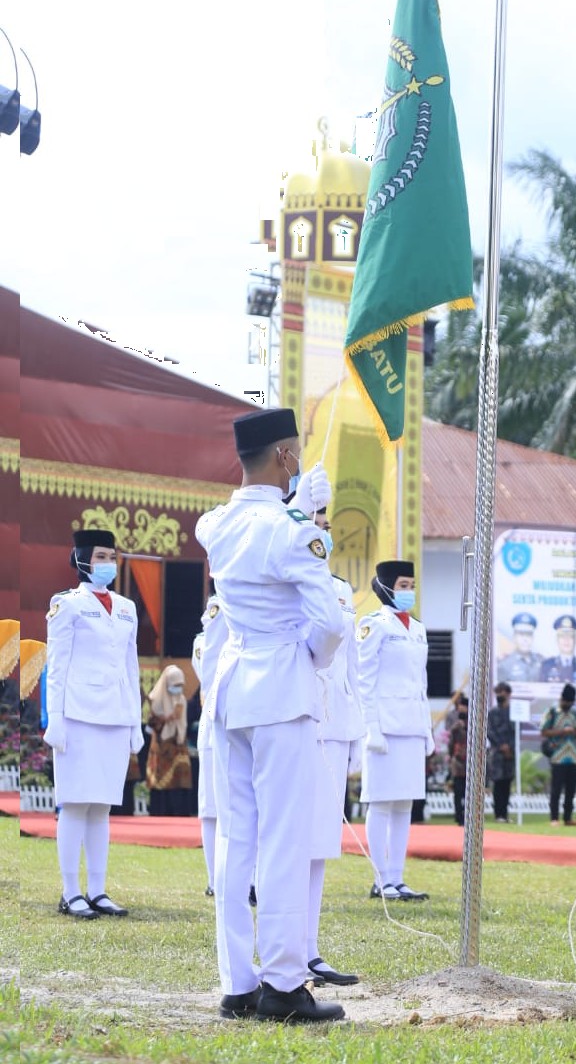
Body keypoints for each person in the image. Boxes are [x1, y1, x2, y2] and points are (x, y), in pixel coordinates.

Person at [195, 407, 346, 1025]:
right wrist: (308, 656)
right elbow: (332, 621)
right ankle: (284, 983)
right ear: (285, 458)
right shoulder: (288, 532)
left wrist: (302, 519)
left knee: (236, 838)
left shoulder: (218, 524)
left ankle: (238, 982)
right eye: (296, 452)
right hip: (281, 687)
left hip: (232, 688)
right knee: (283, 838)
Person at [44, 529, 142, 920]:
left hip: (115, 715)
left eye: (112, 556)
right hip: (78, 715)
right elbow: (57, 667)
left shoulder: (126, 607)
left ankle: (98, 890)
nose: (108, 563)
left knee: (102, 806)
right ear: (83, 559)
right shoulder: (66, 605)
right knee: (74, 803)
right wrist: (56, 721)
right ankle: (71, 891)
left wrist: (135, 721)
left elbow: (131, 668)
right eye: (101, 556)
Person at [306, 508, 364, 987]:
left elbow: (355, 670)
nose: (325, 530)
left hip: (337, 724)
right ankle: (288, 948)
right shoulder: (289, 581)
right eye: (315, 521)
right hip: (300, 720)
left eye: (327, 524)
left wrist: (361, 733)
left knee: (322, 843)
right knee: (294, 841)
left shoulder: (342, 589)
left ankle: (310, 948)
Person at [357, 559, 432, 902]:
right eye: (403, 586)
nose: (409, 592)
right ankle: (379, 878)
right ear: (386, 587)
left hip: (412, 725)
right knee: (381, 802)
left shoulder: (417, 628)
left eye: (411, 585)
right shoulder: (375, 626)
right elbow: (364, 678)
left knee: (405, 805)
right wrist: (371, 726)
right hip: (385, 727)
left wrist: (427, 729)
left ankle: (398, 878)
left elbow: (422, 683)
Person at [191, 591, 229, 895]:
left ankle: (250, 879)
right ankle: (214, 879)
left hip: (245, 724)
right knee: (211, 807)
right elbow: (209, 674)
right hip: (216, 723)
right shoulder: (202, 643)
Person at [145, 664, 192, 816]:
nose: (178, 689)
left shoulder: (182, 700)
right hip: (161, 746)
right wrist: (168, 718)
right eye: (175, 685)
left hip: (179, 743)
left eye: (180, 685)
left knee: (180, 781)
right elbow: (151, 724)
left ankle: (179, 814)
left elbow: (185, 721)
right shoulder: (155, 699)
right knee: (161, 782)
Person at [540, 683, 576, 825]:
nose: (568, 705)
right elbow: (544, 731)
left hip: (574, 756)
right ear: (562, 699)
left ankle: (568, 818)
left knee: (571, 790)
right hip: (558, 756)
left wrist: (573, 731)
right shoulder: (552, 711)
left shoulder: (574, 713)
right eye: (566, 702)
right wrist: (562, 732)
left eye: (571, 703)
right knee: (556, 789)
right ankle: (554, 818)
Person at [487, 682, 514, 822]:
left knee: (507, 784)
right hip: (497, 753)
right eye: (497, 692)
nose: (499, 695)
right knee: (498, 784)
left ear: (508, 694)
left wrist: (510, 747)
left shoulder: (514, 712)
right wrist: (501, 746)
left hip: (511, 754)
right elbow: (489, 731)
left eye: (502, 692)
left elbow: (517, 732)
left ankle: (505, 814)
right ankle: (498, 815)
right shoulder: (492, 713)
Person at [497, 613, 543, 682]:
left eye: (528, 635)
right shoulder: (504, 664)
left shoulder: (541, 662)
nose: (525, 639)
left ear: (533, 638)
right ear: (514, 637)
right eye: (521, 634)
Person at [448, 695, 469, 825]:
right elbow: (451, 741)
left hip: (470, 761)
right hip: (458, 760)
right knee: (458, 790)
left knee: (468, 791)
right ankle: (458, 815)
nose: (461, 708)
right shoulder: (455, 723)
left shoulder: (473, 721)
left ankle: (468, 815)